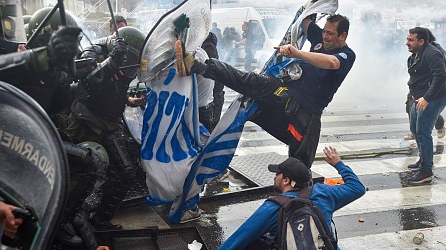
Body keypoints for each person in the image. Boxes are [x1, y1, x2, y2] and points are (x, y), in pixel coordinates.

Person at [176, 14, 355, 168]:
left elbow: (331, 63)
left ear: (343, 35)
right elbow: (305, 20)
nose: (325, 36)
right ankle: (196, 65)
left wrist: (297, 53)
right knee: (249, 81)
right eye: (324, 31)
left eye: (330, 33)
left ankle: (297, 199)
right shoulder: (319, 39)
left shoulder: (347, 55)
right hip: (285, 94)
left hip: (306, 115)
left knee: (300, 165)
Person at [65, 26, 145, 230]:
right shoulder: (94, 51)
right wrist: (112, 62)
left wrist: (127, 100)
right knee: (76, 173)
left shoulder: (125, 61)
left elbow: (114, 90)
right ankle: (66, 221)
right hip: (84, 123)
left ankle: (100, 221)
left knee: (126, 172)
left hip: (109, 124)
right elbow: (89, 80)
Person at [218, 146, 366, 249]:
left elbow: (238, 240)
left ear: (286, 180)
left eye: (278, 173)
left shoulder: (274, 207)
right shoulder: (324, 193)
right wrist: (338, 163)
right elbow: (357, 188)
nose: (275, 176)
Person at [405, 27, 446, 184]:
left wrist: (427, 98)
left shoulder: (431, 53)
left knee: (423, 132)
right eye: (407, 39)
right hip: (418, 97)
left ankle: (426, 171)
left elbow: (440, 76)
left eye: (411, 40)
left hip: (433, 98)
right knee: (415, 129)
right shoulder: (416, 53)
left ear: (421, 41)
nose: (407, 43)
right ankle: (423, 160)